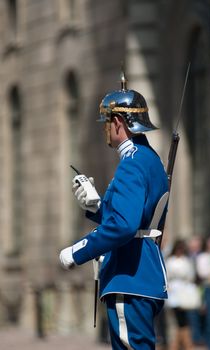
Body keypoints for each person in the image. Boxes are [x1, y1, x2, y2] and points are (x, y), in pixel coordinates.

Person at [59, 72, 169, 349]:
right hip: (144, 272)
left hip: (128, 275)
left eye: (107, 122)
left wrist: (79, 250)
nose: (105, 128)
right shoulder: (147, 158)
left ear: (118, 122)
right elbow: (136, 215)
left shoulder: (131, 163)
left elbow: (124, 225)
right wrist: (98, 206)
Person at [166, 239, 198, 350]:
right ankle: (176, 343)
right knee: (176, 318)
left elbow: (191, 276)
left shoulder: (186, 261)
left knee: (184, 319)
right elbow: (167, 276)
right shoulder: (170, 260)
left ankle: (184, 343)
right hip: (173, 291)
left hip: (184, 292)